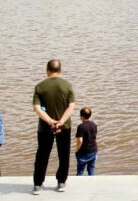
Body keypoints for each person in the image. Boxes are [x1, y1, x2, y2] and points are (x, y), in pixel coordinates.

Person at [32, 59, 76, 194]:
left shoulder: (39, 86)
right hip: (64, 127)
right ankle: (61, 182)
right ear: (60, 70)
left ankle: (38, 184)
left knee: (42, 155)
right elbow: (71, 106)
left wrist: (50, 121)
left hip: (45, 127)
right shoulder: (67, 85)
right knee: (63, 155)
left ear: (47, 70)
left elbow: (37, 109)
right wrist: (61, 121)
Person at [75, 107, 98, 176]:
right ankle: (93, 183)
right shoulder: (94, 125)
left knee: (80, 170)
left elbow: (80, 140)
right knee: (91, 169)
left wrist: (77, 150)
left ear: (81, 116)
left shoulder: (81, 127)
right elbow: (94, 137)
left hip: (83, 152)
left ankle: (78, 184)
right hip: (93, 150)